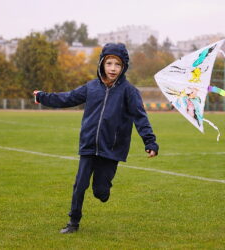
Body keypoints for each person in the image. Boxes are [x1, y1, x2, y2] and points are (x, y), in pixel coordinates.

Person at [33, 43, 159, 234]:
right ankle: (73, 223)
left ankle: (103, 189)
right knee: (79, 184)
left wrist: (150, 142)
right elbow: (67, 98)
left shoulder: (129, 91)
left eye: (118, 64)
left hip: (112, 148)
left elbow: (140, 117)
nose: (113, 68)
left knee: (100, 192)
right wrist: (42, 97)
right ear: (102, 63)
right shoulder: (91, 87)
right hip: (89, 145)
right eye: (109, 63)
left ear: (124, 67)